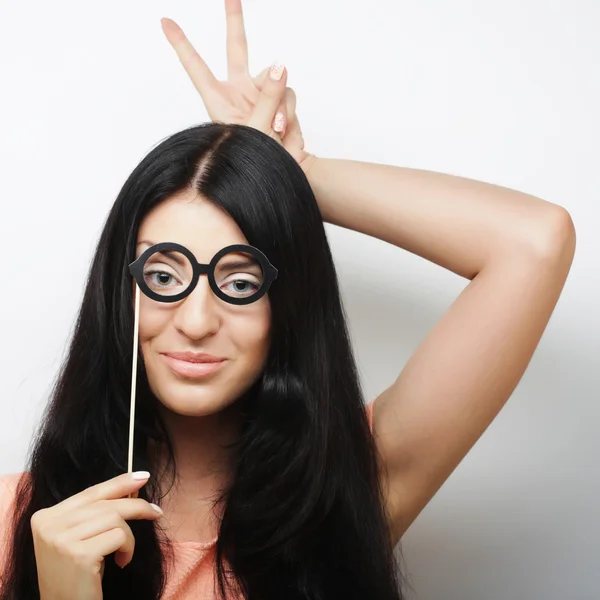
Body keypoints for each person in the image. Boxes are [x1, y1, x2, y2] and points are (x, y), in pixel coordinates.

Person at [0, 1, 576, 599]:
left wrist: (294, 175)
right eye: (164, 277)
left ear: (288, 304)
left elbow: (534, 240)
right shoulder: (24, 520)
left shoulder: (347, 487)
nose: (196, 321)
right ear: (119, 290)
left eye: (242, 283)